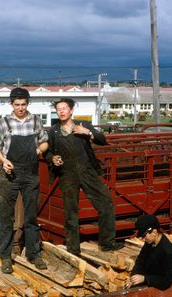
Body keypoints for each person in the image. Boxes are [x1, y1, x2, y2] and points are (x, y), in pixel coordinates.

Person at [45, 98, 123, 255]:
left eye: (64, 108)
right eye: (58, 109)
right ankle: (73, 249)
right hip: (67, 175)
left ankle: (107, 244)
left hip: (88, 171)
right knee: (70, 212)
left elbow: (102, 140)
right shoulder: (53, 131)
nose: (61, 111)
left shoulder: (83, 125)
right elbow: (48, 152)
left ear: (71, 111)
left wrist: (87, 132)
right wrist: (52, 158)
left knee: (106, 203)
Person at [0, 87, 49, 274]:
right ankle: (6, 256)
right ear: (11, 104)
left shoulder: (36, 121)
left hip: (31, 173)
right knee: (6, 217)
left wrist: (39, 151)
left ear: (28, 104)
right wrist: (3, 160)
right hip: (10, 174)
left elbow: (44, 141)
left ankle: (34, 254)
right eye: (17, 104)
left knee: (31, 216)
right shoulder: (3, 122)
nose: (20, 108)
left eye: (23, 104)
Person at [125, 214, 172, 290]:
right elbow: (141, 260)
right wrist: (133, 277)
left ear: (154, 232)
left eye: (144, 236)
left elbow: (166, 281)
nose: (143, 239)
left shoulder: (168, 252)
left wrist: (145, 279)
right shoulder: (149, 243)